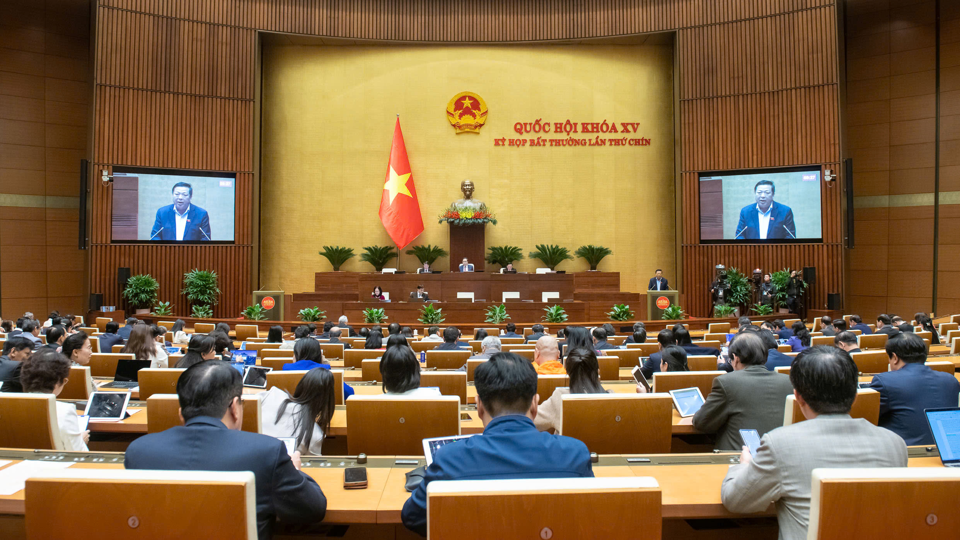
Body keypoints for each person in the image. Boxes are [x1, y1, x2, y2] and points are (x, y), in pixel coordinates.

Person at [720, 346, 908, 539]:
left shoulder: (779, 444)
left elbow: (736, 501)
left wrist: (743, 466)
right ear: (855, 396)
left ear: (798, 397)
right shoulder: (894, 443)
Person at [125, 361, 326, 539]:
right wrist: (296, 471)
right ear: (235, 408)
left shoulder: (138, 451)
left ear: (181, 413)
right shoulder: (266, 452)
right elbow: (313, 510)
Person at [400, 352, 593, 536]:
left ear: (479, 406)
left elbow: (412, 517)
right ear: (535, 404)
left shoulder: (450, 458)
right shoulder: (575, 454)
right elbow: (589, 518)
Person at [693, 332, 794, 450]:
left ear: (735, 359)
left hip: (739, 458)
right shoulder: (788, 381)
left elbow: (701, 422)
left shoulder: (726, 382)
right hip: (781, 454)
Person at [869, 333, 960, 445]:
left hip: (906, 453)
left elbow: (869, 417)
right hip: (948, 450)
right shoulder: (950, 380)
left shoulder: (884, 381)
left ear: (895, 357)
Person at [21, 348, 89, 451]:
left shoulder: (6, 405)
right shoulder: (65, 411)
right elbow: (78, 454)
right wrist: (81, 441)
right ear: (63, 381)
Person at [260, 367, 335, 456]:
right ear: (328, 400)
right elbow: (311, 466)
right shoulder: (315, 435)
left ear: (301, 384)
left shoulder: (273, 394)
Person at [535, 348, 607, 433]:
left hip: (567, 446)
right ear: (597, 371)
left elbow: (532, 420)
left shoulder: (561, 397)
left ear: (568, 371)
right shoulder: (613, 398)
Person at [284, 339, 355, 398]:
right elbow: (349, 393)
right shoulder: (324, 371)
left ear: (296, 355)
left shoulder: (285, 370)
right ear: (319, 355)